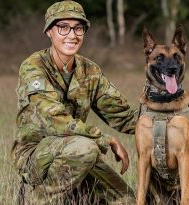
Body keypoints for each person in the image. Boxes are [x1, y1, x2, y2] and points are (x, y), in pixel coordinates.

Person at [11, 1, 138, 204]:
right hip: (35, 155)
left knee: (127, 201)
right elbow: (54, 119)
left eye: (78, 28)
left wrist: (172, 119)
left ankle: (74, 195)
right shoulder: (32, 67)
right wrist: (106, 140)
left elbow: (124, 117)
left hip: (76, 154)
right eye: (63, 27)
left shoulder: (90, 71)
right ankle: (38, 199)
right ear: (49, 32)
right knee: (86, 147)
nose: (72, 35)